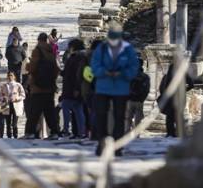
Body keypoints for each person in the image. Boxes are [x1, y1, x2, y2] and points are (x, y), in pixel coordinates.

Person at [89, 22, 139, 155]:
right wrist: (104, 72)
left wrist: (122, 73)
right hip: (103, 87)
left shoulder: (127, 49)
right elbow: (94, 65)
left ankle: (118, 145)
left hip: (120, 87)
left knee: (119, 117)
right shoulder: (102, 48)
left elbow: (134, 67)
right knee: (101, 116)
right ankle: (102, 142)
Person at [24, 33, 60, 138]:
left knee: (34, 111)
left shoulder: (37, 50)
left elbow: (32, 67)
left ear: (39, 40)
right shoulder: (51, 51)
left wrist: (28, 66)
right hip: (50, 87)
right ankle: (54, 132)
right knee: (50, 112)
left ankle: (30, 132)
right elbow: (56, 69)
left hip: (37, 87)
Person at [158, 60, 194, 138]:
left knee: (170, 116)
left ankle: (170, 133)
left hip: (170, 98)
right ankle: (178, 132)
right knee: (178, 115)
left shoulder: (168, 76)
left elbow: (162, 88)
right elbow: (191, 85)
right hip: (180, 97)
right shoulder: (183, 74)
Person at [60, 39, 87, 139]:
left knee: (66, 107)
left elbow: (76, 74)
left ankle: (66, 130)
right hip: (76, 88)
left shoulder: (76, 58)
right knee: (78, 110)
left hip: (71, 88)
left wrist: (76, 88)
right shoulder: (81, 57)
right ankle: (81, 131)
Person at [125, 59, 151, 135]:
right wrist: (142, 98)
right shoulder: (145, 76)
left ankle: (127, 132)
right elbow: (147, 89)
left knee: (128, 117)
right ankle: (136, 133)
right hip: (139, 100)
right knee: (137, 118)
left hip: (130, 99)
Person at [0, 72, 26, 138]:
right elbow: (0, 95)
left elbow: (23, 95)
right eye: (8, 76)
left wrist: (17, 98)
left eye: (11, 75)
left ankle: (15, 134)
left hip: (16, 104)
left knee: (14, 122)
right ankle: (9, 135)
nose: (9, 77)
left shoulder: (18, 85)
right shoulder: (4, 85)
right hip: (6, 104)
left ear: (14, 77)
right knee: (7, 122)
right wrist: (3, 98)